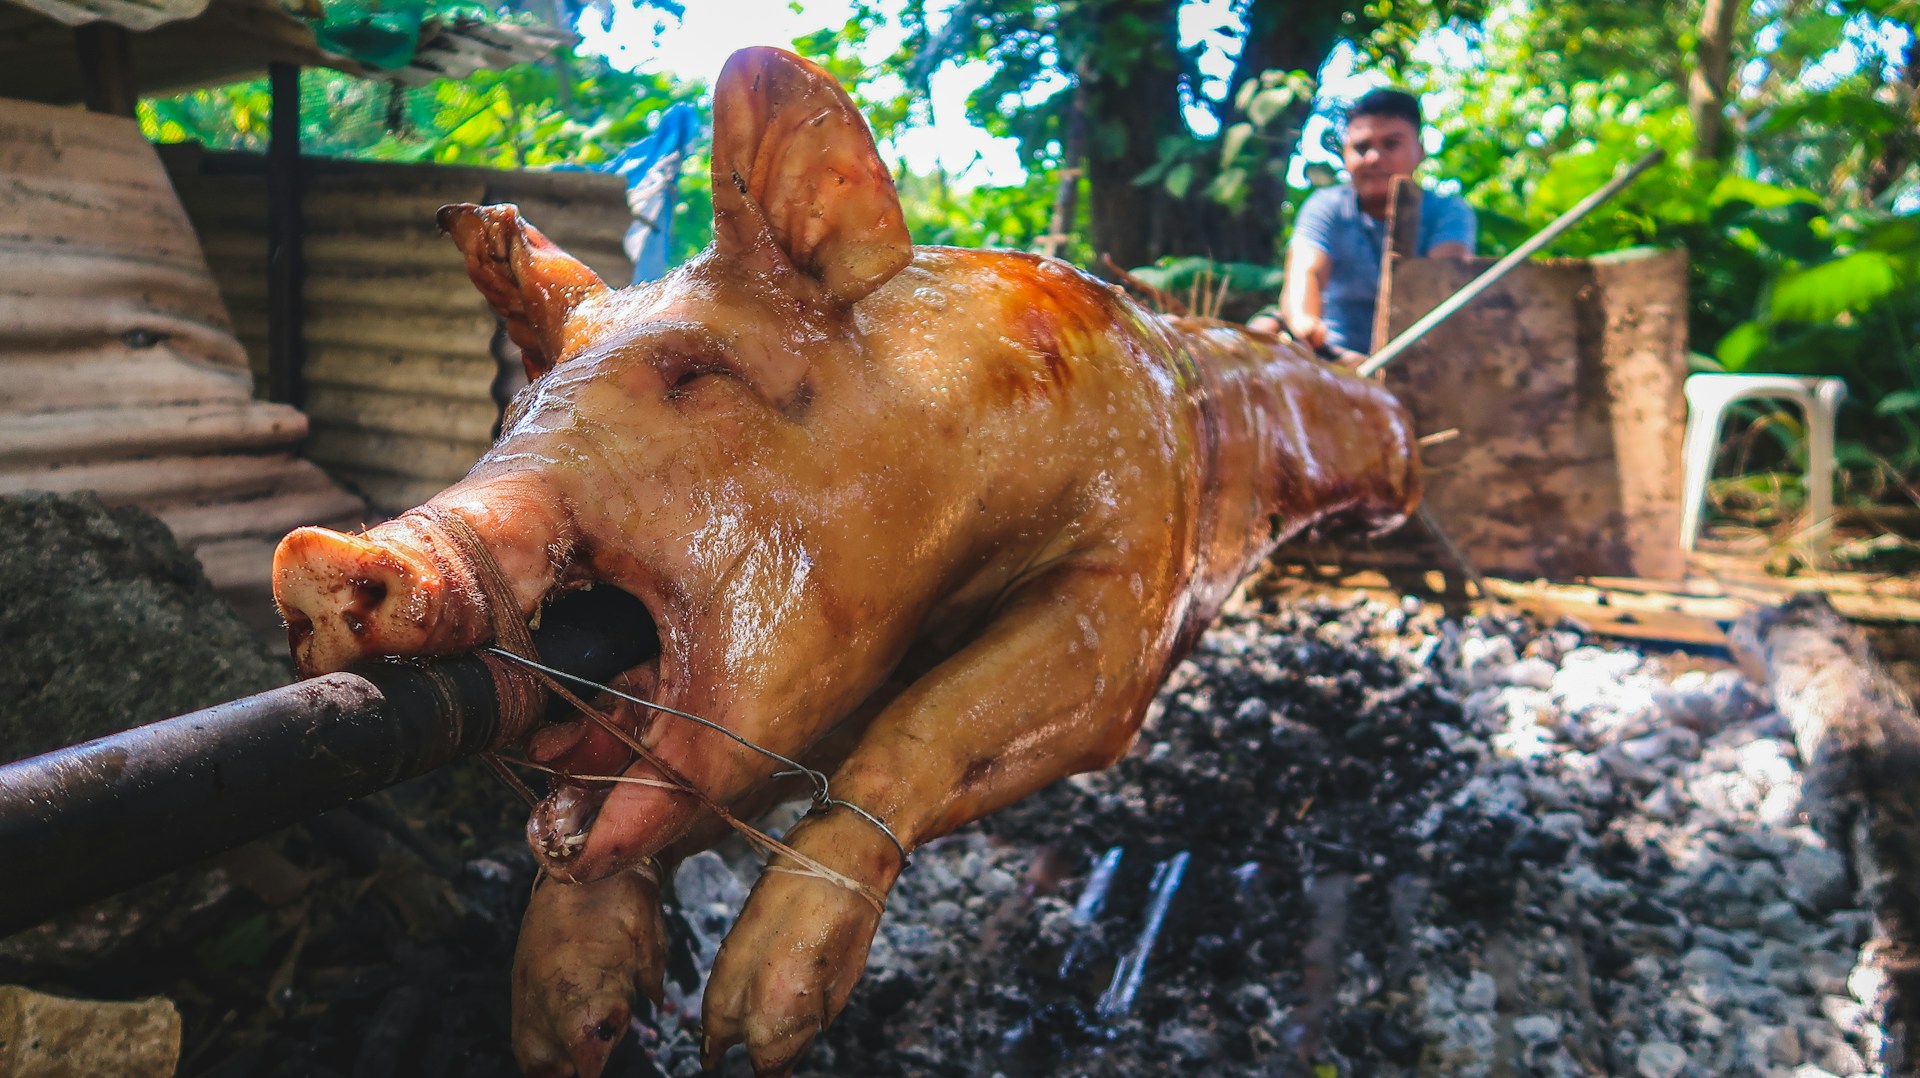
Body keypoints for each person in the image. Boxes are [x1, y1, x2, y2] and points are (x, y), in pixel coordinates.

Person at [1249, 88, 1474, 361]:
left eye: (1391, 144)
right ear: (1345, 154)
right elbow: (1303, 276)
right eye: (1362, 148)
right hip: (1329, 356)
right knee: (1261, 330)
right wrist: (1307, 328)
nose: (1373, 158)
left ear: (1420, 151)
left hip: (1416, 361)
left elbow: (1443, 285)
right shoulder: (1326, 206)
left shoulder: (1448, 211)